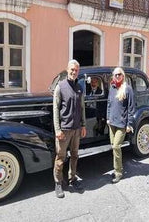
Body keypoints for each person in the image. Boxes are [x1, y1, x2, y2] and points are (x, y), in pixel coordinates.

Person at [53, 59, 87, 198]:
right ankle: (58, 183)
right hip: (64, 129)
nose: (74, 72)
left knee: (74, 156)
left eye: (76, 70)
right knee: (61, 157)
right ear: (67, 70)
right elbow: (55, 108)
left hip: (77, 129)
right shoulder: (60, 86)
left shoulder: (79, 87)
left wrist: (83, 125)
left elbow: (82, 107)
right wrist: (57, 129)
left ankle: (72, 178)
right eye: (72, 69)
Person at [106, 67, 135, 184]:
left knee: (116, 147)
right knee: (113, 146)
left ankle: (118, 172)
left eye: (119, 74)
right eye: (115, 75)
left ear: (123, 76)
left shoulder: (127, 89)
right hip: (112, 123)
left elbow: (131, 108)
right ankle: (116, 168)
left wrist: (129, 124)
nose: (117, 76)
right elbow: (109, 103)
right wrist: (108, 117)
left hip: (121, 124)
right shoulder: (112, 88)